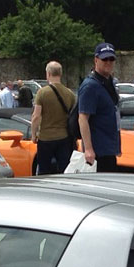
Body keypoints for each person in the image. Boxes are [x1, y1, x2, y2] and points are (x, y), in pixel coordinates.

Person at [77, 41, 122, 173]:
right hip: (98, 151)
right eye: (104, 59)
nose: (108, 62)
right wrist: (89, 149)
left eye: (111, 59)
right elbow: (83, 118)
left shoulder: (109, 82)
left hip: (109, 148)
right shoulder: (90, 86)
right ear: (96, 60)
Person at [30, 60, 77, 175]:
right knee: (64, 170)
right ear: (60, 74)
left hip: (45, 138)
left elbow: (36, 116)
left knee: (44, 171)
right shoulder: (69, 93)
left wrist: (33, 135)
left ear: (48, 74)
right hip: (64, 138)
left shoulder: (42, 93)